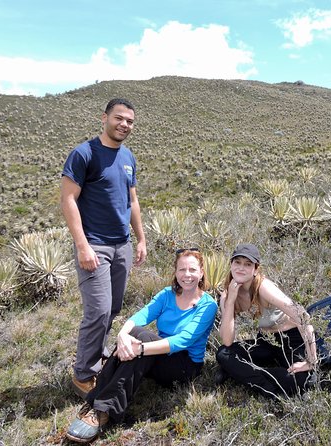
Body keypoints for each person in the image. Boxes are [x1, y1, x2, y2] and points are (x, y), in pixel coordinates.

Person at [65, 248, 218, 443]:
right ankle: (97, 403)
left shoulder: (208, 305)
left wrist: (141, 349)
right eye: (182, 270)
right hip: (159, 355)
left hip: (184, 365)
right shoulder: (167, 295)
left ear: (201, 272)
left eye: (192, 270)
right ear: (175, 272)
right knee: (136, 333)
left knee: (141, 340)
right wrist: (122, 334)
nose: (187, 275)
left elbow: (183, 340)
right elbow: (142, 315)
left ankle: (103, 410)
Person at [61, 98, 147, 398]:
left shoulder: (128, 157)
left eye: (130, 121)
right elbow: (68, 200)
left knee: (112, 308)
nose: (124, 124)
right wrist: (82, 246)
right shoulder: (84, 153)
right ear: (104, 118)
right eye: (119, 118)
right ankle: (83, 374)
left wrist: (141, 238)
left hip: (121, 244)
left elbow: (131, 201)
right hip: (94, 245)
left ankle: (97, 356)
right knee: (97, 311)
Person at [215, 244, 319, 399]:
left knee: (302, 378)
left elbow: (303, 318)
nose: (241, 268)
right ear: (231, 264)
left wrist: (311, 361)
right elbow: (227, 341)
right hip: (266, 341)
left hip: (291, 339)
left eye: (248, 264)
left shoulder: (264, 287)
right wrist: (229, 302)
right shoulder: (228, 294)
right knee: (223, 354)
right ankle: (268, 386)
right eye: (237, 262)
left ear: (256, 269)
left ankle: (242, 374)